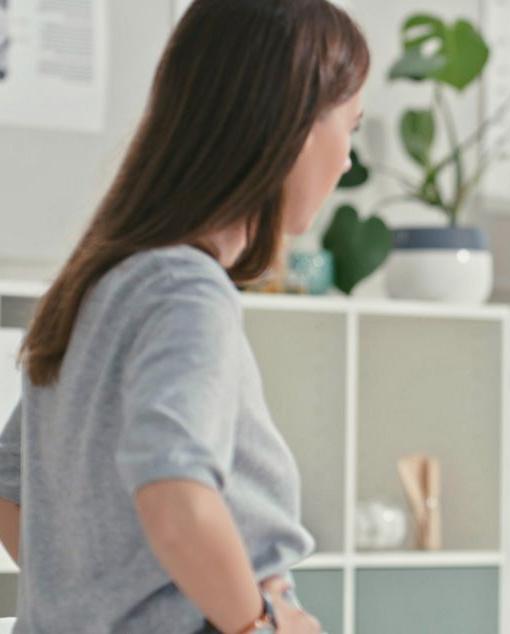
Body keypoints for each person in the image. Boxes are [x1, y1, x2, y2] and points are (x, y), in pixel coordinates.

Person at [0, 0, 368, 631]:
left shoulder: (100, 284)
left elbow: (9, 491)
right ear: (293, 126)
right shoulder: (186, 294)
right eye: (350, 128)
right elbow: (175, 497)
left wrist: (96, 602)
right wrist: (260, 624)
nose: (346, 162)